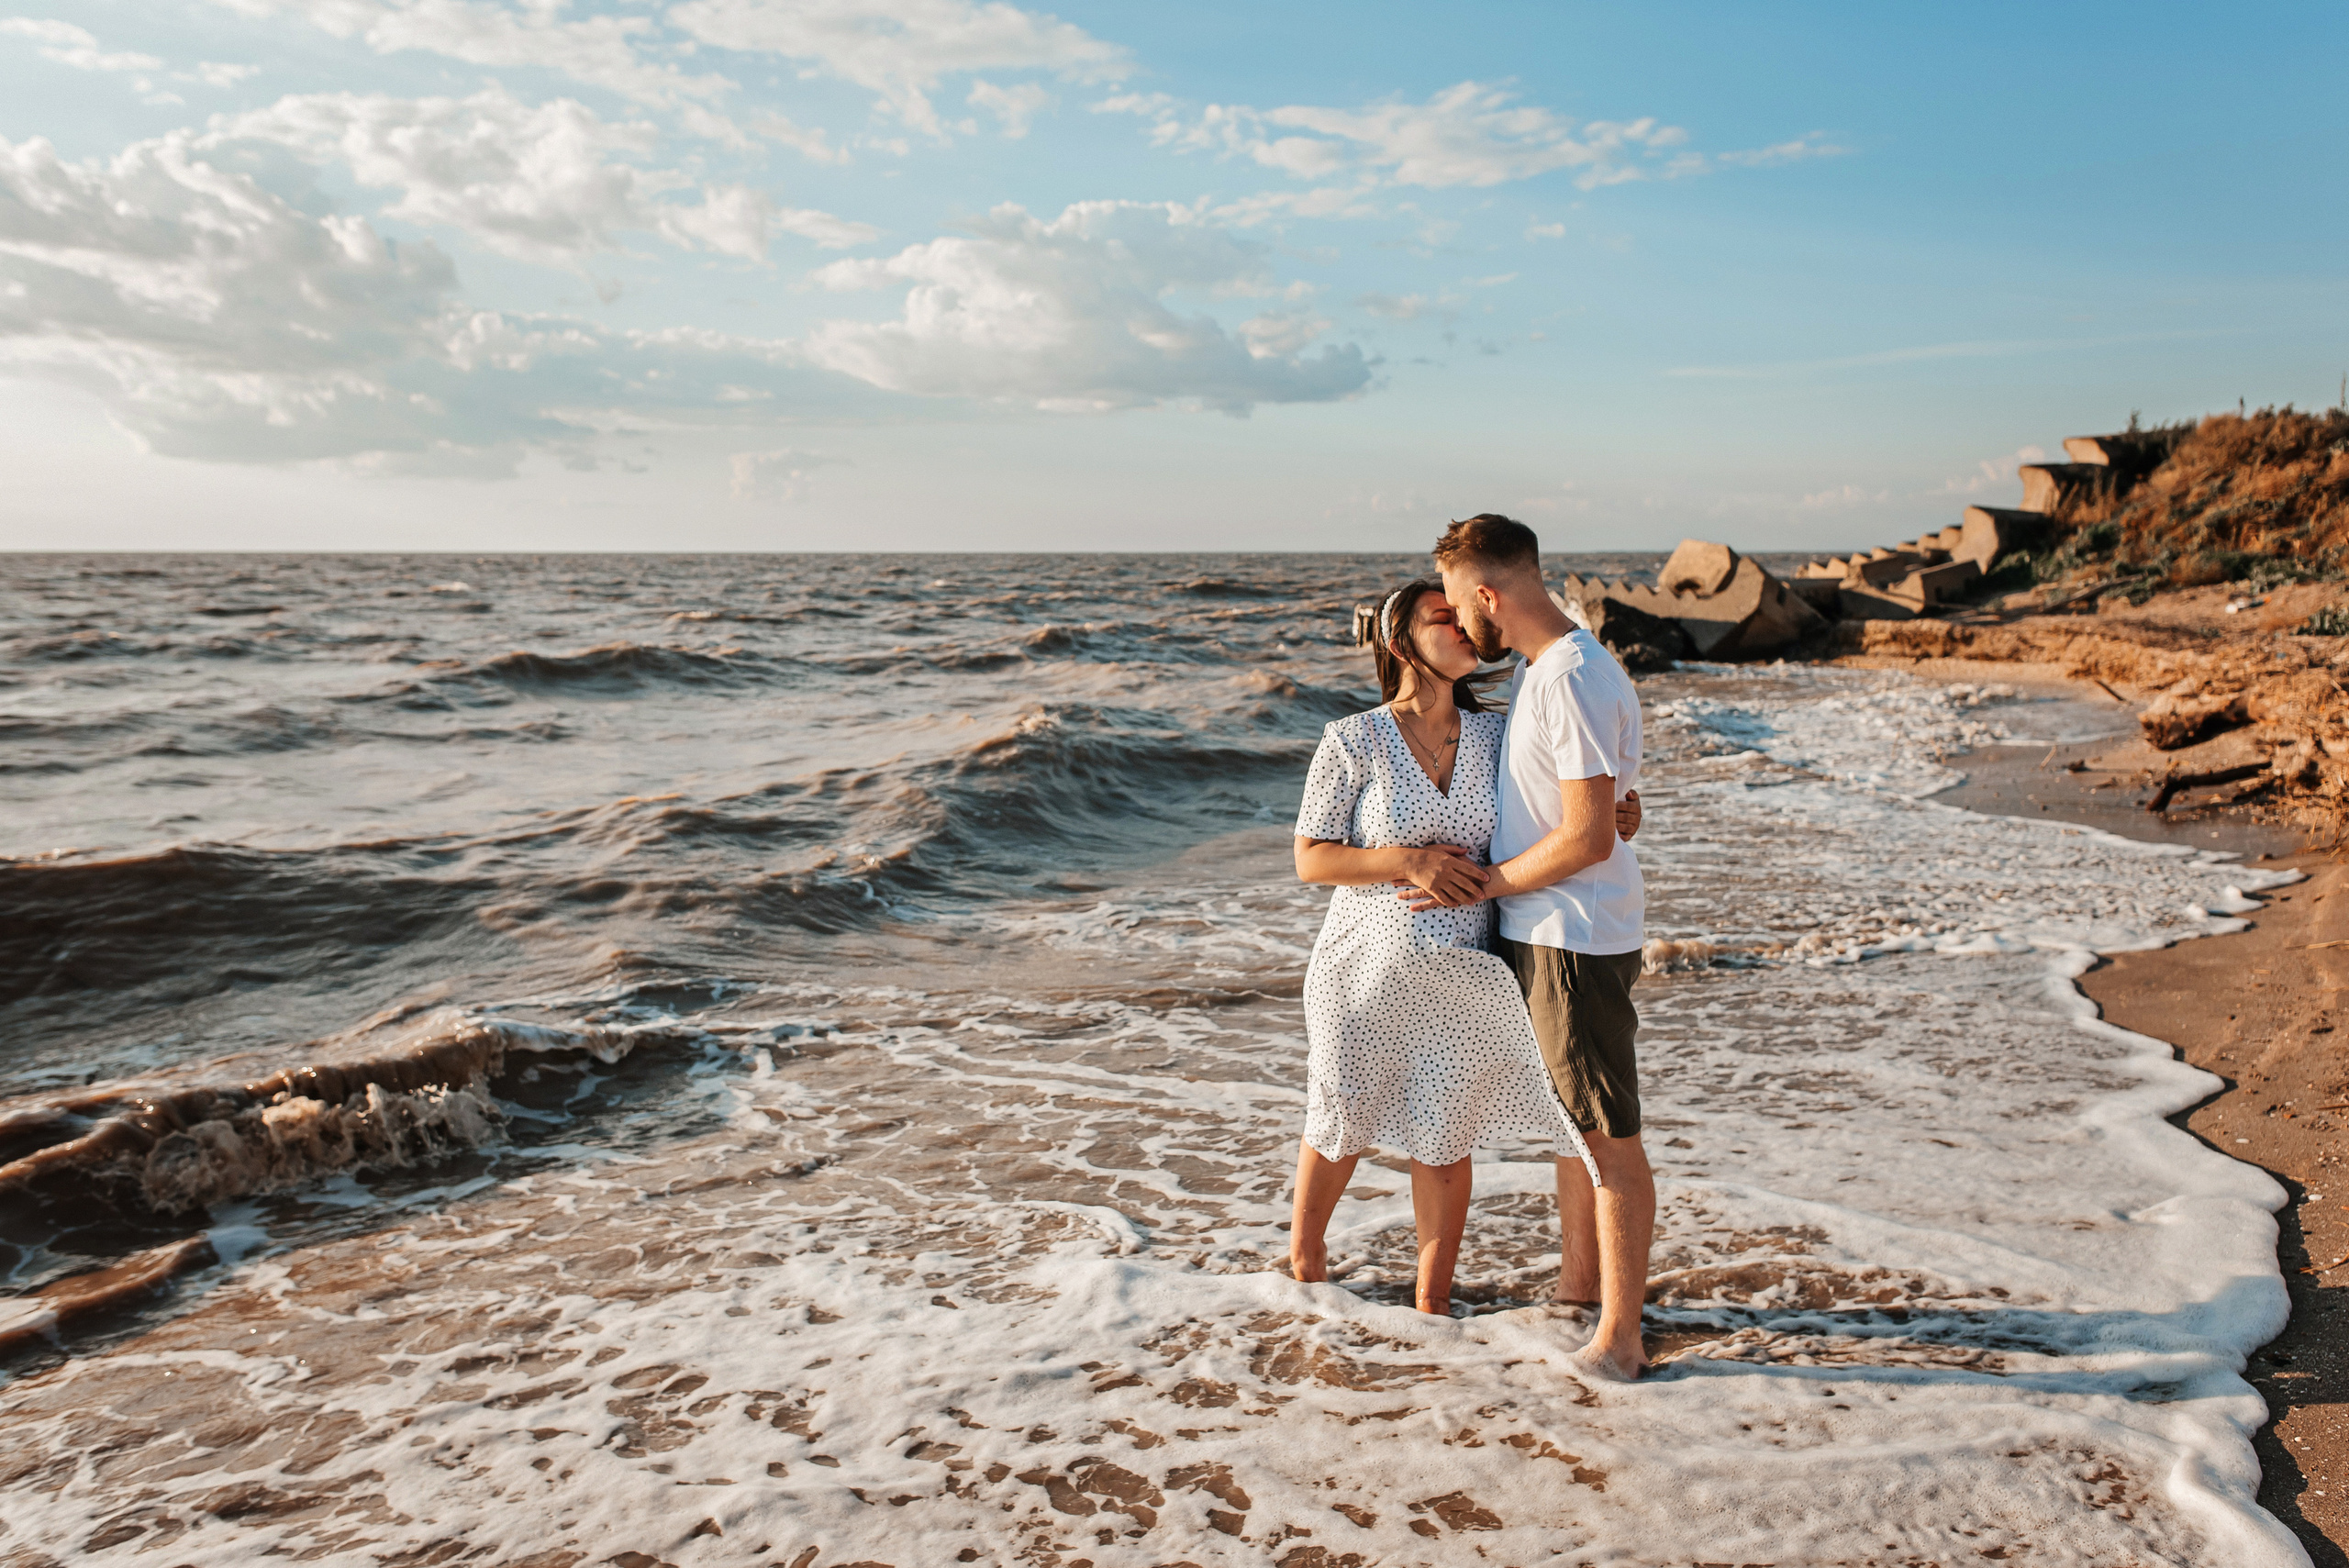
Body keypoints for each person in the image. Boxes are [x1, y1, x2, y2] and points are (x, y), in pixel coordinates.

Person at [1286, 579, 1638, 1318]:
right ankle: (1304, 1268)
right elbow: (1311, 858)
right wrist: (1405, 861)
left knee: (1444, 1137)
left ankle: (1431, 1307)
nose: (1460, 626)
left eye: (1459, 612)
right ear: (1399, 640)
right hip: (1362, 972)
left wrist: (1618, 807)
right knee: (1339, 1117)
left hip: (1466, 976)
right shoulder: (1351, 738)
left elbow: (1566, 799)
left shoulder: (1496, 733)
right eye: (1440, 617)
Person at [1416, 515, 1653, 1382]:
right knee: (1575, 1128)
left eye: (1454, 601)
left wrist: (1490, 883)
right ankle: (1581, 1290)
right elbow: (1612, 809)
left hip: (1572, 937)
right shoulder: (1554, 670)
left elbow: (1589, 836)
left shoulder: (1572, 677)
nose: (1455, 620)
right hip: (1555, 930)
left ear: (1487, 594)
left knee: (1605, 1137)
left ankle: (1620, 1341)